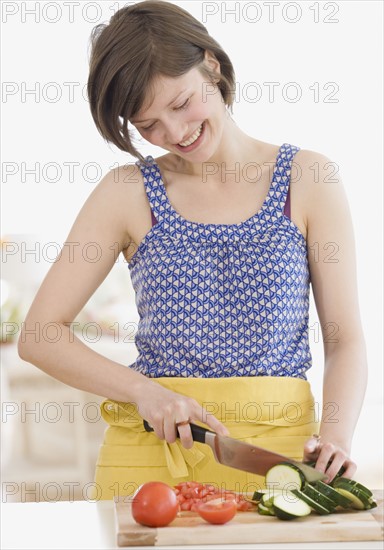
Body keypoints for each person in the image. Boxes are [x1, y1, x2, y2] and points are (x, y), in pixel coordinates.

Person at [18, 0, 367, 500]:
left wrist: (335, 436)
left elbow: (345, 340)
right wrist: (145, 392)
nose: (175, 133)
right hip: (149, 459)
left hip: (280, 460)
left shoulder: (309, 178)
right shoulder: (126, 192)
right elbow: (39, 335)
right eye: (148, 125)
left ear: (212, 65)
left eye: (180, 104)